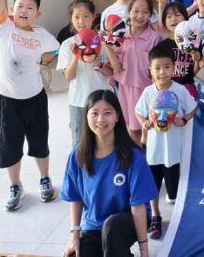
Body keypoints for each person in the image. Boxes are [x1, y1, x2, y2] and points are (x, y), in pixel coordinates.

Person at [0, 0, 60, 211]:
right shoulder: (3, 28)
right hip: (8, 101)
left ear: (38, 14)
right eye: (19, 6)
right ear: (11, 10)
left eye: (30, 8)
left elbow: (57, 49)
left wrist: (46, 59)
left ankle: (44, 179)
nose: (24, 11)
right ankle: (15, 185)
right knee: (9, 146)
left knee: (40, 143)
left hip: (35, 99)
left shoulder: (42, 35)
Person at [61, 90, 158, 257]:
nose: (100, 119)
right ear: (86, 116)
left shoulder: (133, 156)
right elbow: (75, 197)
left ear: (117, 116)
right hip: (94, 224)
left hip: (128, 220)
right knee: (73, 254)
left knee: (112, 228)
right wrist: (74, 235)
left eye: (107, 113)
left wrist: (144, 249)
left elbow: (138, 206)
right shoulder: (78, 154)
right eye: (94, 113)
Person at [134, 44, 197, 239]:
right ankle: (156, 216)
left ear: (174, 68)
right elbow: (138, 111)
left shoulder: (180, 90)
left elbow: (193, 108)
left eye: (167, 67)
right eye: (157, 68)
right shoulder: (148, 92)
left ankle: (179, 216)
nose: (162, 72)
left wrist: (183, 120)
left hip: (173, 151)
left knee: (174, 190)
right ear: (150, 70)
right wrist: (144, 123)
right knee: (152, 186)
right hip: (153, 151)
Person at [104, 0, 161, 143]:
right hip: (124, 87)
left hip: (144, 89)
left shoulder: (154, 37)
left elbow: (158, 68)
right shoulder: (121, 35)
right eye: (136, 11)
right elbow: (117, 68)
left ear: (150, 15)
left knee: (143, 129)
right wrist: (108, 47)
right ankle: (134, 156)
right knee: (129, 127)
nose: (140, 16)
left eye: (145, 12)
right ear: (129, 11)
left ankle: (144, 156)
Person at [58, 0, 112, 145]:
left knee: (104, 140)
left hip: (102, 98)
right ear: (71, 19)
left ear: (93, 17)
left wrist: (96, 63)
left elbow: (111, 72)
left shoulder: (102, 42)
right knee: (80, 141)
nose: (81, 21)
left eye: (86, 16)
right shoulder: (67, 45)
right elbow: (69, 76)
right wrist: (76, 56)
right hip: (78, 100)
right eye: (76, 17)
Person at [156, 2, 199, 99]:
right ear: (164, 22)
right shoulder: (162, 46)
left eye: (178, 15)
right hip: (168, 91)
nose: (173, 19)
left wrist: (196, 61)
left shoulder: (193, 42)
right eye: (169, 16)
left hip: (189, 90)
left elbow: (196, 74)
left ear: (185, 18)